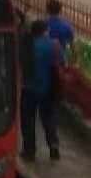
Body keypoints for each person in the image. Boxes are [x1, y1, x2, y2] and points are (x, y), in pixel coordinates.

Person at [21, 19, 65, 162]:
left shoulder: (27, 46)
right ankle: (53, 143)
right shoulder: (55, 45)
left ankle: (29, 150)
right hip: (49, 89)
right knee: (48, 117)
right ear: (45, 31)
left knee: (28, 120)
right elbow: (63, 64)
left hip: (29, 88)